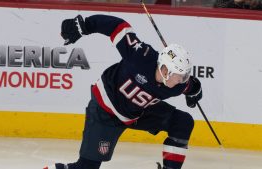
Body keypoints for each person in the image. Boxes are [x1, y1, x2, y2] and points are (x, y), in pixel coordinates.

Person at [44, 14, 202, 169]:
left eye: (184, 76)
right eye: (179, 76)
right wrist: (84, 26)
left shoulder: (177, 85)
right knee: (86, 167)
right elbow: (117, 27)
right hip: (106, 110)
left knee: (182, 122)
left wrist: (195, 90)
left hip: (137, 112)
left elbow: (191, 87)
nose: (182, 80)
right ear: (164, 69)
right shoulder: (140, 56)